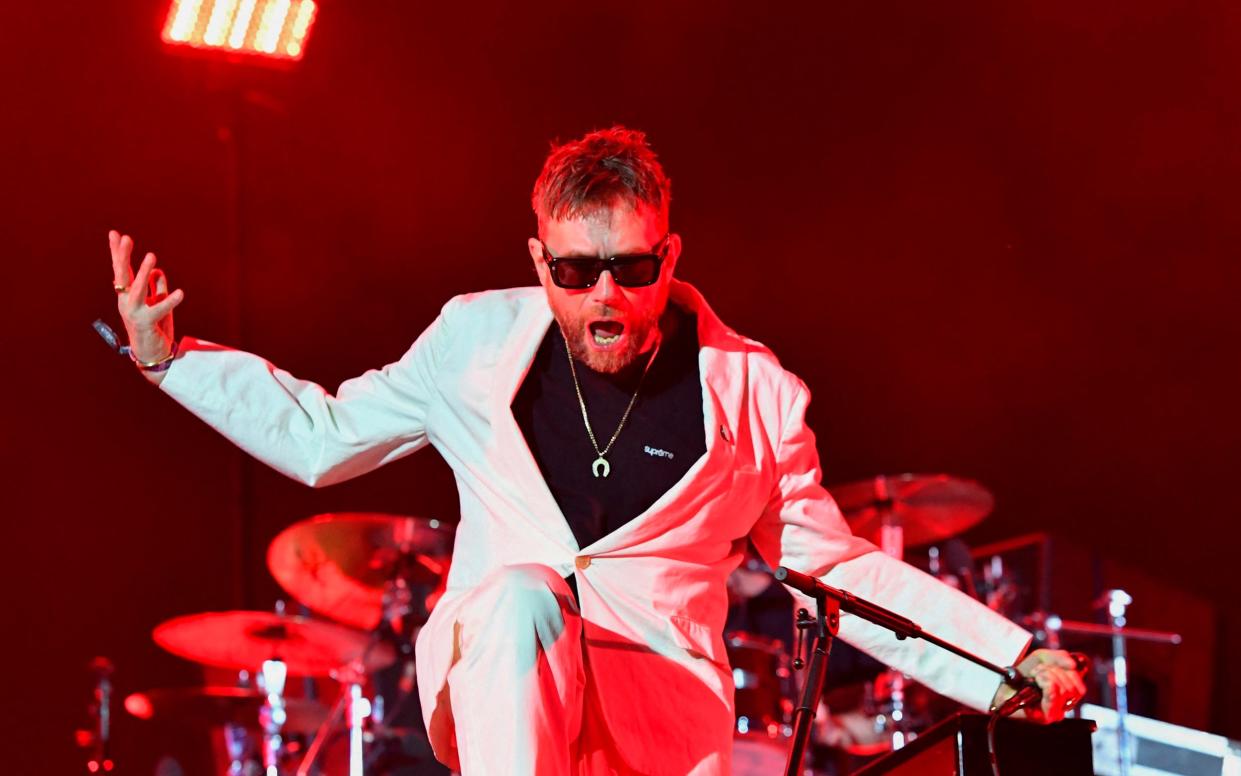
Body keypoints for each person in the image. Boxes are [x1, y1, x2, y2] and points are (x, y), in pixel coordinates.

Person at [107, 126, 1086, 775]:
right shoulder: (471, 342)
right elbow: (322, 434)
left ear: (668, 255)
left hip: (656, 709)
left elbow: (831, 567)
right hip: (505, 688)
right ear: (540, 262)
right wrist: (171, 363)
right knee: (524, 587)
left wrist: (1005, 658)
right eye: (576, 271)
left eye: (628, 267)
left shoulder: (749, 391)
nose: (604, 298)